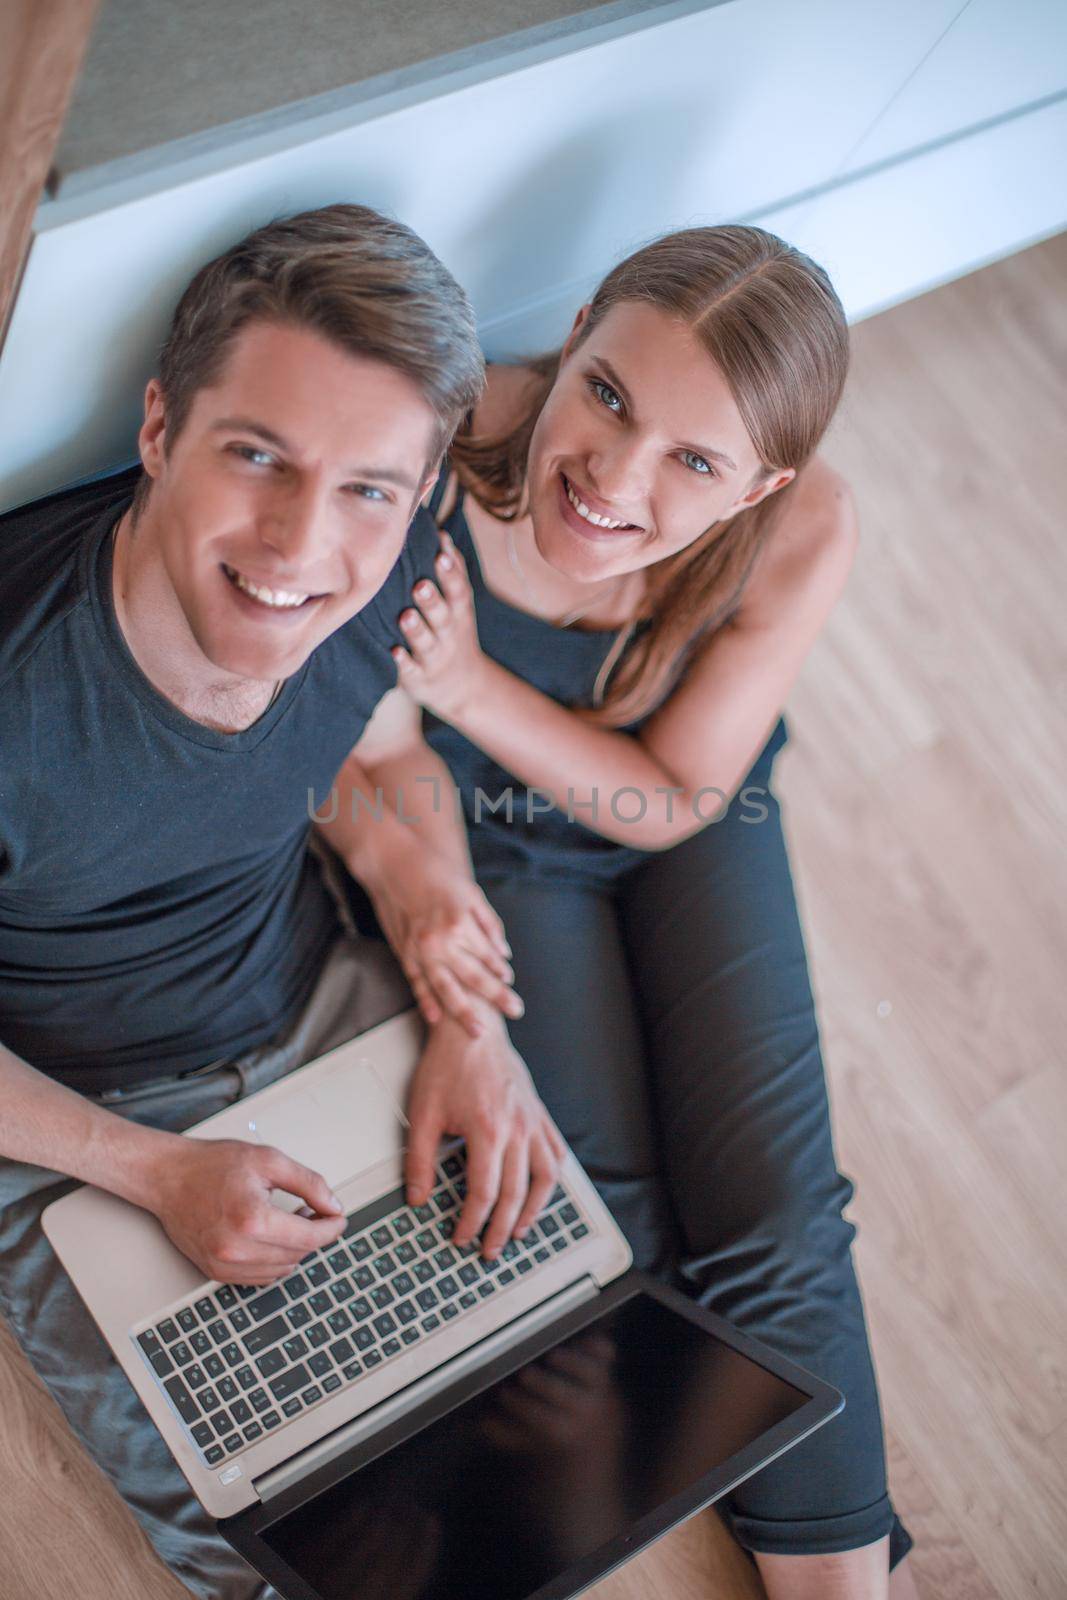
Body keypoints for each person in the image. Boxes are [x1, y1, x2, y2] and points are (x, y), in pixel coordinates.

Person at [338, 225, 919, 1600]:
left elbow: (673, 799)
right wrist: (445, 943)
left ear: (759, 486)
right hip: (490, 834)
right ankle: (603, 1497)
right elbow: (375, 754)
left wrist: (475, 685)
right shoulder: (432, 439)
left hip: (683, 823)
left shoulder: (808, 523)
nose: (610, 479)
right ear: (581, 322)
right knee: (606, 1228)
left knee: (776, 1222)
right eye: (605, 394)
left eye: (695, 464)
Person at [0, 202, 568, 1600]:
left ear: (427, 486)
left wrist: (463, 1002)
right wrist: (153, 1171)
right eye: (258, 457)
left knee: (554, 1384)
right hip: (74, 1117)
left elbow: (376, 756)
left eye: (371, 486)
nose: (301, 549)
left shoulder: (402, 578)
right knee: (275, 1549)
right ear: (157, 429)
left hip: (324, 995)